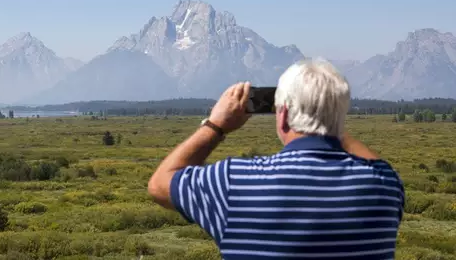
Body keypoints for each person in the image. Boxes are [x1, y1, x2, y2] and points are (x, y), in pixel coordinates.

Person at [148, 59, 405, 259]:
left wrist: (216, 125)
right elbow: (375, 162)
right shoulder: (385, 185)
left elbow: (159, 184)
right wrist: (330, 121)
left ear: (282, 117)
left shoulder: (234, 182)